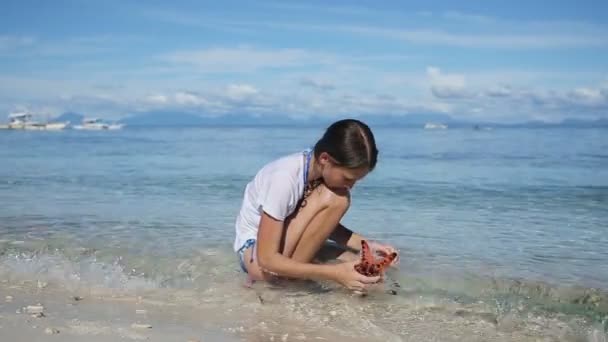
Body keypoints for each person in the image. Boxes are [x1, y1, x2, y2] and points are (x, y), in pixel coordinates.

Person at [233, 118, 398, 292]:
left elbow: (318, 223)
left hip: (281, 244)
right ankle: (289, 279)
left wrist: (365, 244)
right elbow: (267, 260)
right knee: (338, 199)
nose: (351, 186)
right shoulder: (284, 179)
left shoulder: (315, 170)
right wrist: (334, 273)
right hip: (256, 258)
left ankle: (300, 271)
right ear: (325, 158)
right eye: (348, 178)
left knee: (358, 263)